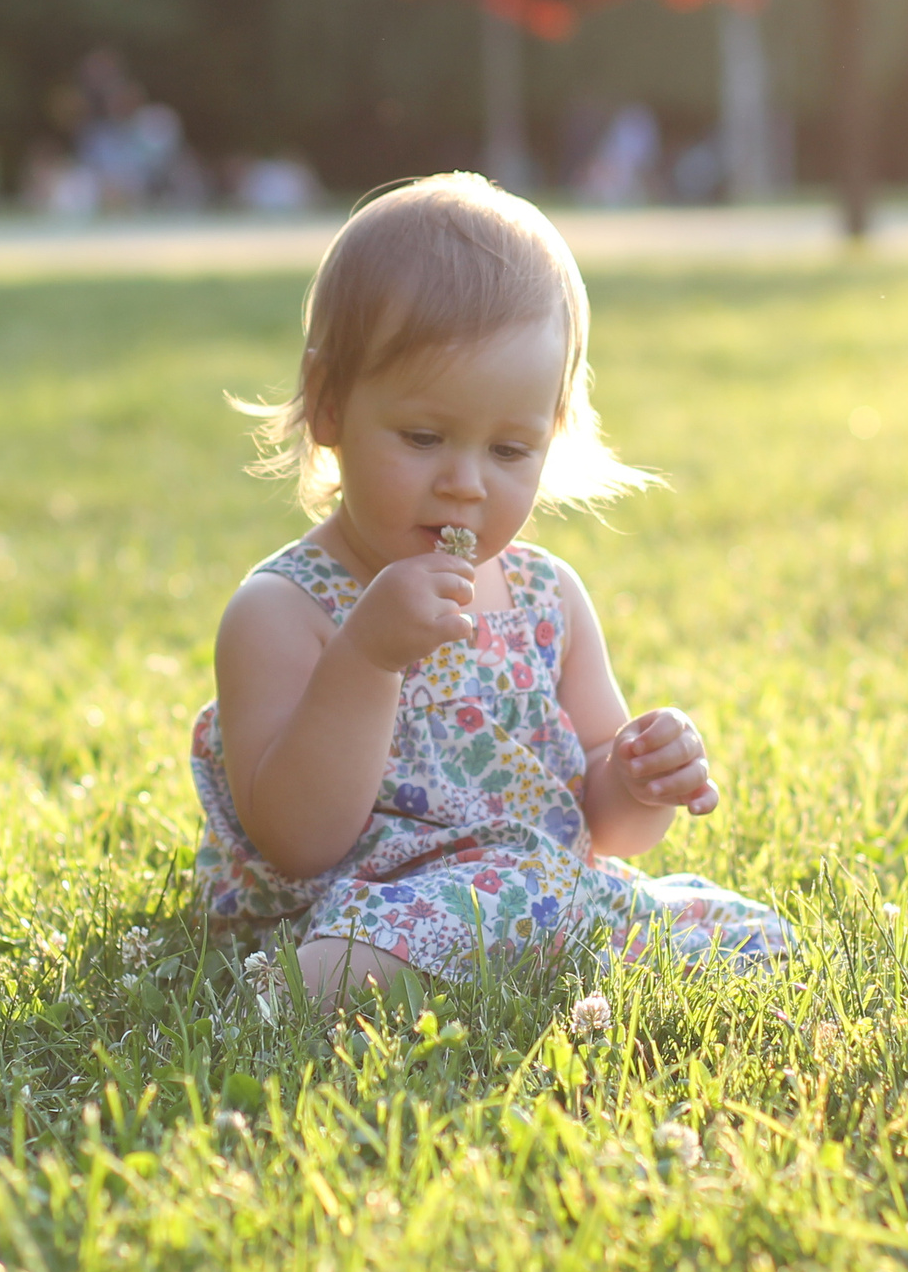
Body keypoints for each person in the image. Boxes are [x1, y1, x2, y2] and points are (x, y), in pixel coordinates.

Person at [191, 174, 790, 1003]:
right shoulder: (283, 609)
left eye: (509, 450)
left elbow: (606, 826)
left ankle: (539, 951)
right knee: (503, 899)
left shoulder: (548, 598)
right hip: (363, 910)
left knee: (749, 931)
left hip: (536, 891)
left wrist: (639, 776)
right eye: (424, 436)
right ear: (330, 406)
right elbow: (298, 839)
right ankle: (300, 990)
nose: (465, 483)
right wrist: (368, 655)